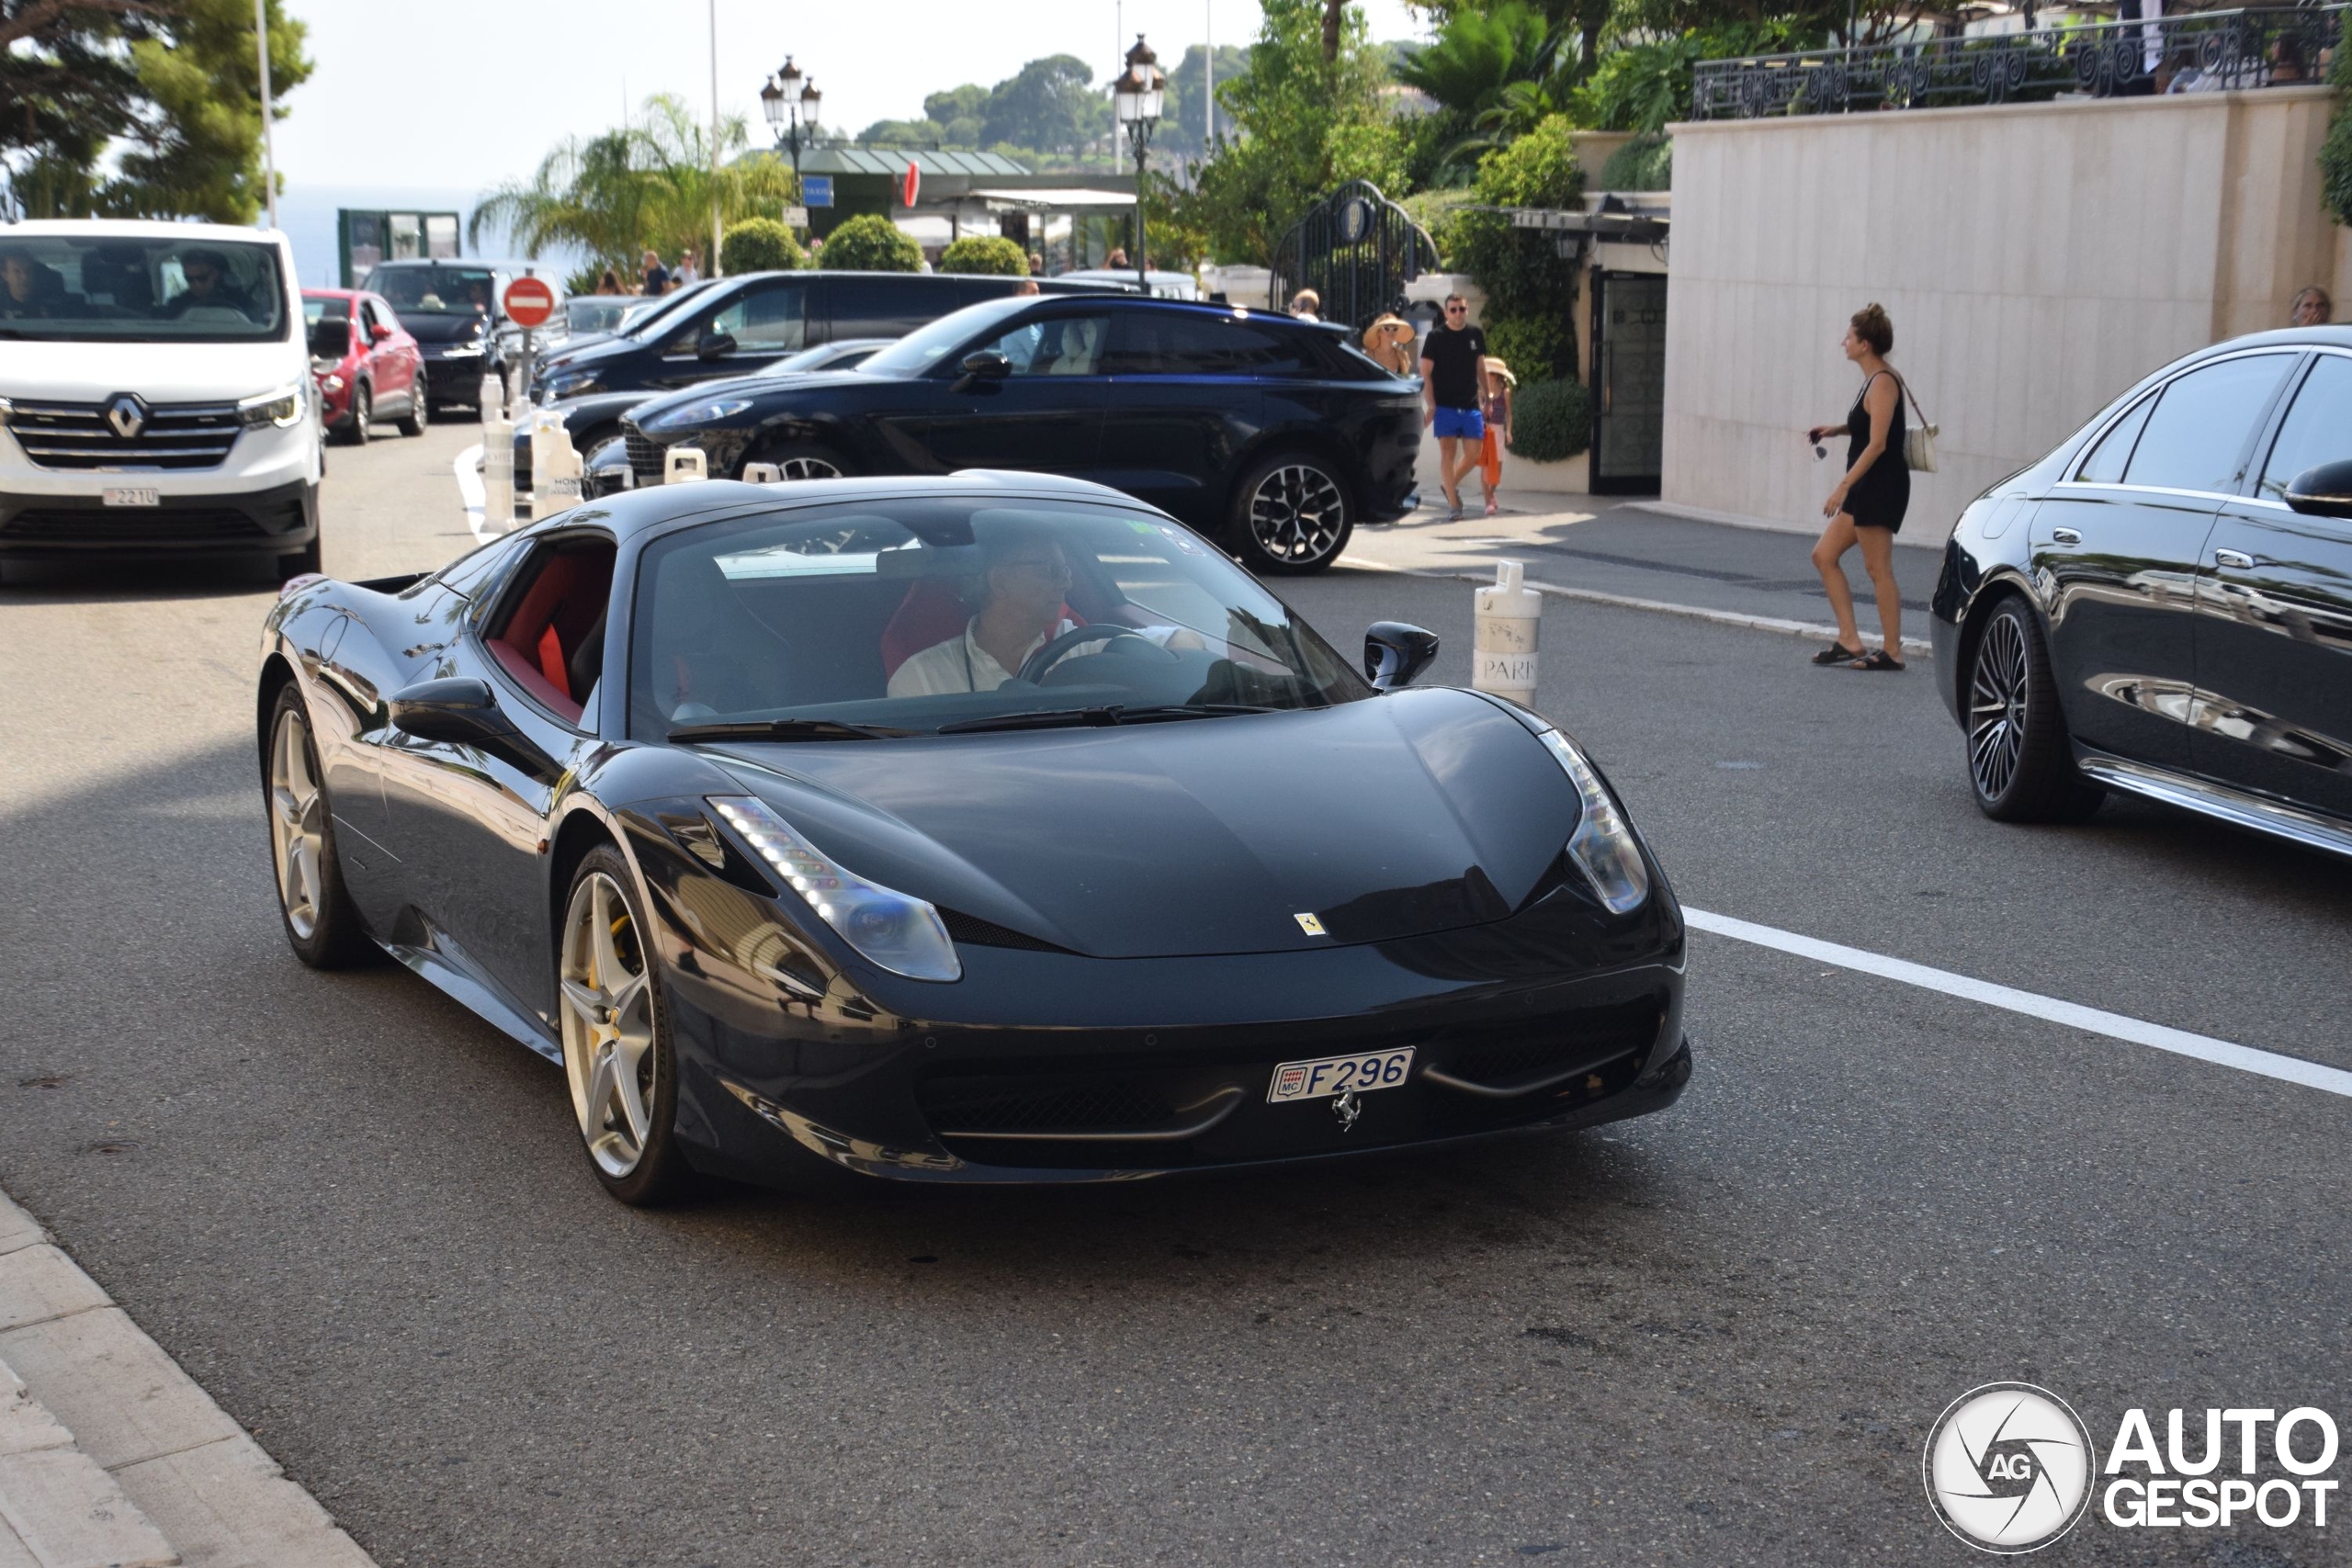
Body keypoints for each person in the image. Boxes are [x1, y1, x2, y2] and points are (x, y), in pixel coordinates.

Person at [1805, 303, 1911, 672]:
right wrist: (1835, 430)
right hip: (1866, 484)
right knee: (1824, 555)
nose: (1842, 343)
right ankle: (1850, 640)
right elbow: (1868, 427)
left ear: (1865, 344)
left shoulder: (1883, 382)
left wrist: (1842, 487)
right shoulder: (1873, 380)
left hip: (1880, 484)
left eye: (1848, 337)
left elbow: (1879, 443)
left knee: (1877, 568)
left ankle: (1893, 651)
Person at [887, 534, 1085, 697]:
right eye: (1052, 570)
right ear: (998, 580)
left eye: (1066, 571)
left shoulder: (1091, 649)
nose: (1067, 584)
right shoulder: (921, 678)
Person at [1419, 295, 1487, 521]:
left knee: (1474, 454)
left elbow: (1480, 366)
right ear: (1446, 313)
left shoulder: (1475, 334)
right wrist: (1431, 404)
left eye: (1462, 309)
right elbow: (1426, 373)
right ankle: (1454, 505)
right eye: (1453, 310)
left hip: (1470, 404)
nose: (1458, 313)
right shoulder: (1435, 337)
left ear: (1467, 310)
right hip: (1445, 405)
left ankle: (1448, 485)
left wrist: (1488, 393)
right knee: (1448, 454)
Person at [1476, 356, 1517, 518]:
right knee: (1485, 466)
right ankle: (1488, 502)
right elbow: (1478, 411)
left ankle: (1491, 494)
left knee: (1498, 467)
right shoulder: (1481, 392)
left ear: (1494, 375)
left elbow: (1509, 414)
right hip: (1485, 430)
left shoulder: (1505, 392)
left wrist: (1509, 431)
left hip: (1498, 430)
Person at [164, 248, 252, 319]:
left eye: (202, 278)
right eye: (189, 278)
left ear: (215, 274)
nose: (196, 284)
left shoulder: (241, 302)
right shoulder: (177, 305)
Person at [1360, 313, 1417, 378]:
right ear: (1379, 333)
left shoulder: (1402, 355)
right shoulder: (1369, 355)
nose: (1391, 332)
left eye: (1395, 329)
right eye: (1386, 328)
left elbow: (1405, 379)